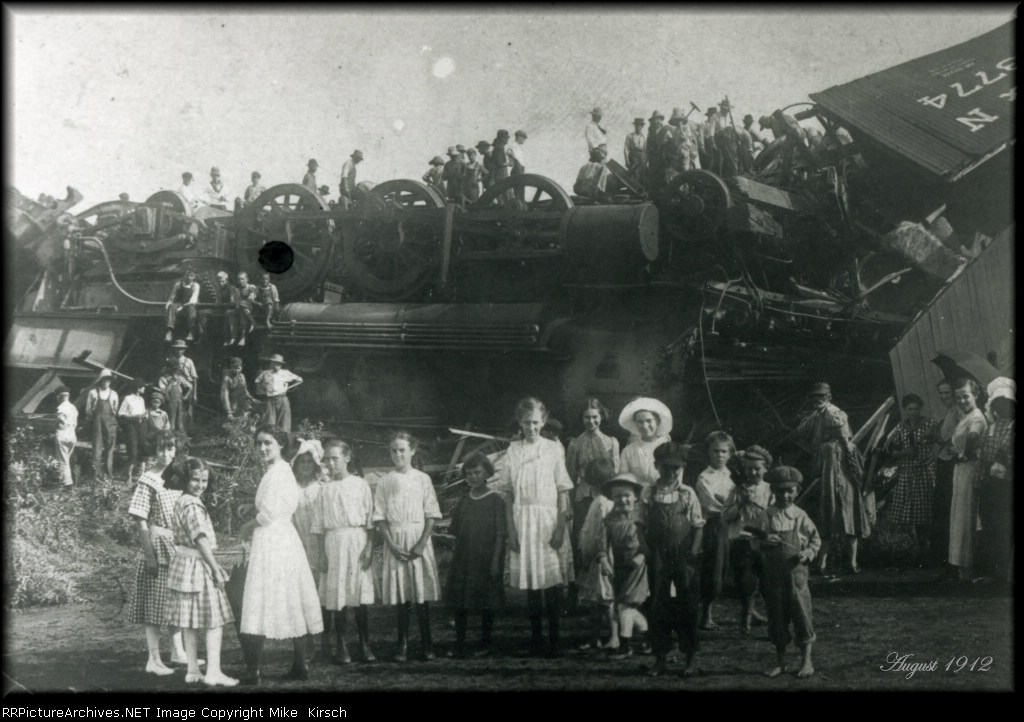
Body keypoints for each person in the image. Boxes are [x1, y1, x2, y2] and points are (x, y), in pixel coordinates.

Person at [238, 426, 325, 684]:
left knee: (265, 598)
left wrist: (248, 524)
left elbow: (268, 514)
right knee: (285, 597)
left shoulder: (280, 472)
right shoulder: (277, 472)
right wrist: (252, 509)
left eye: (268, 443)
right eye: (259, 443)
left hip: (274, 540)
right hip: (279, 538)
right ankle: (297, 665)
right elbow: (270, 506)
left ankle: (255, 670)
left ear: (280, 446)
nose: (263, 448)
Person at [501, 397, 573, 657]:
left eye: (535, 422)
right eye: (526, 423)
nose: (531, 427)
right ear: (519, 423)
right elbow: (508, 493)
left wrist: (560, 527)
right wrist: (511, 530)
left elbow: (563, 489)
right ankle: (536, 638)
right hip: (523, 519)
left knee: (551, 581)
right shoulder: (513, 450)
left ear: (543, 422)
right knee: (531, 582)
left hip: (548, 519)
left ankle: (554, 639)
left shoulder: (553, 449)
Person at [164, 458, 238, 687]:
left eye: (204, 480)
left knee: (191, 620)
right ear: (185, 479)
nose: (200, 484)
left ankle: (193, 670)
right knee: (213, 621)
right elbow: (201, 539)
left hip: (183, 564)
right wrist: (215, 569)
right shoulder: (193, 506)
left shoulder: (182, 500)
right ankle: (213, 671)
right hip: (196, 564)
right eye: (195, 479)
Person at [373, 431, 442, 662]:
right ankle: (401, 644)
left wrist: (422, 542)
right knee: (402, 596)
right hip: (395, 540)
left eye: (402, 449)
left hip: (418, 539)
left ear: (412, 450)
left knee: (421, 596)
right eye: (393, 450)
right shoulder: (384, 481)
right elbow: (379, 516)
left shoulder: (423, 479)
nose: (398, 454)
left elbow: (431, 513)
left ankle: (427, 644)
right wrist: (390, 545)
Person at [125, 431, 189, 675]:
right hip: (158, 546)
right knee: (155, 605)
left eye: (170, 448)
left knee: (176, 601)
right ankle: (153, 659)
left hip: (177, 546)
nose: (166, 453)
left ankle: (177, 651)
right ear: (154, 450)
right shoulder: (148, 479)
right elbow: (140, 520)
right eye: (161, 448)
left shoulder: (176, 476)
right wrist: (150, 556)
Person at [795, 382, 872, 575]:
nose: (816, 400)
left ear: (828, 398)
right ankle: (822, 563)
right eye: (814, 397)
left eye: (821, 397)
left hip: (839, 460)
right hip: (827, 460)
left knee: (846, 504)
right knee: (830, 507)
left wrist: (854, 467)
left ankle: (849, 563)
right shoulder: (817, 415)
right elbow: (800, 433)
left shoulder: (835, 414)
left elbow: (846, 443)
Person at [312, 438, 376, 664]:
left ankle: (365, 644)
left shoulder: (360, 484)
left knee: (359, 596)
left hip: (357, 541)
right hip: (333, 543)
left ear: (347, 458)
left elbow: (370, 520)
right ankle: (341, 646)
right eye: (327, 459)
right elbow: (319, 525)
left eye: (335, 458)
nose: (330, 463)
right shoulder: (324, 489)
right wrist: (321, 553)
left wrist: (368, 548)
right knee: (338, 598)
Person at [646, 442, 703, 678]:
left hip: (683, 556)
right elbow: (639, 524)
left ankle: (690, 658)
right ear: (657, 466)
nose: (671, 472)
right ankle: (660, 658)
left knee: (687, 605)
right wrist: (645, 550)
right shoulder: (648, 492)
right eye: (666, 467)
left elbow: (698, 526)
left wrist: (693, 552)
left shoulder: (687, 493)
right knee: (658, 605)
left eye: (675, 468)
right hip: (658, 555)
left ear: (682, 468)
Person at [761, 466, 820, 679]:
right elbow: (753, 542)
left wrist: (808, 553)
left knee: (802, 616)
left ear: (797, 491)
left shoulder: (799, 516)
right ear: (773, 492)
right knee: (777, 618)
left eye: (790, 491)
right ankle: (780, 662)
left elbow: (815, 539)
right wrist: (764, 541)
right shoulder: (767, 515)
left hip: (797, 576)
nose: (785, 495)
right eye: (780, 491)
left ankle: (807, 661)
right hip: (774, 578)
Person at [445, 452, 506, 658]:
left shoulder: (496, 500)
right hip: (464, 557)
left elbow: (500, 534)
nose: (472, 477)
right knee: (461, 601)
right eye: (469, 473)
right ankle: (460, 643)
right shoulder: (464, 500)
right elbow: (455, 531)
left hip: (486, 558)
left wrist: (496, 560)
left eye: (477, 472)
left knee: (486, 602)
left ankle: (485, 643)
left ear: (487, 473)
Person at [595, 472, 650, 659]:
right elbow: (601, 544)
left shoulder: (641, 518)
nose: (623, 500)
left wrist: (642, 556)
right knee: (624, 606)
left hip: (638, 567)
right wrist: (603, 560)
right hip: (620, 567)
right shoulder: (609, 520)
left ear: (635, 496)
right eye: (617, 496)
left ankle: (625, 645)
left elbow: (650, 542)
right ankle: (646, 637)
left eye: (627, 495)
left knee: (625, 605)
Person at [723, 445, 773, 633]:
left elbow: (776, 514)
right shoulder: (737, 491)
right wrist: (741, 503)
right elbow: (725, 516)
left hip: (764, 543)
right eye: (749, 469)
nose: (753, 472)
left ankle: (772, 616)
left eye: (757, 469)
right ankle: (747, 615)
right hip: (741, 542)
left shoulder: (770, 490)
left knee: (767, 582)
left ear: (765, 469)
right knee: (745, 582)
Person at [884, 394, 939, 557]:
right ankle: (915, 546)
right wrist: (904, 452)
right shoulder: (900, 428)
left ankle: (927, 546)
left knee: (925, 511)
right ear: (905, 410)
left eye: (916, 409)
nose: (913, 412)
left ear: (920, 409)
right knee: (908, 514)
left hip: (924, 473)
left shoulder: (930, 424)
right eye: (910, 409)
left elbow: (939, 443)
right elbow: (889, 451)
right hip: (907, 474)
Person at [574, 458, 618, 651]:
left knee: (605, 599)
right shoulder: (599, 501)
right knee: (595, 600)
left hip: (601, 557)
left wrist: (590, 554)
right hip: (595, 557)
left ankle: (614, 637)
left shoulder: (602, 503)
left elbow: (599, 533)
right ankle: (594, 638)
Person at [695, 431, 737, 631]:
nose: (719, 455)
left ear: (730, 454)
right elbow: (712, 505)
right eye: (715, 451)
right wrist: (730, 504)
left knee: (743, 565)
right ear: (708, 453)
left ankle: (749, 608)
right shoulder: (704, 477)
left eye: (724, 451)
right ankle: (707, 613)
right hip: (715, 525)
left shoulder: (733, 475)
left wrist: (730, 502)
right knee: (715, 569)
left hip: (736, 524)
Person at [947, 377, 987, 583]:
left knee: (967, 516)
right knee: (960, 515)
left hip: (971, 469)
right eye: (958, 397)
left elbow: (973, 436)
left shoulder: (977, 418)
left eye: (966, 396)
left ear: (976, 395)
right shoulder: (965, 416)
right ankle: (961, 567)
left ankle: (967, 567)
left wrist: (965, 453)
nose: (962, 400)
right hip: (961, 470)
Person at [975, 377, 1014, 584]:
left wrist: (1006, 459)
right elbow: (983, 457)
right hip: (991, 485)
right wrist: (980, 479)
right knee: (990, 525)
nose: (1002, 407)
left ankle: (1005, 573)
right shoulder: (992, 427)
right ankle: (993, 572)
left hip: (1008, 484)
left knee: (1006, 526)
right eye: (998, 403)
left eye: (1006, 403)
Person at [930, 379, 962, 574]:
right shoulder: (949, 412)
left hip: (952, 463)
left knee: (948, 508)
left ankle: (950, 561)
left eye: (947, 393)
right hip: (943, 461)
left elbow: (951, 438)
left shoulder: (959, 411)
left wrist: (937, 438)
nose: (943, 397)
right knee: (942, 508)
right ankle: (943, 559)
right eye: (941, 393)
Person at [618, 396, 675, 496]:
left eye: (649, 421)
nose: (644, 426)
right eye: (640, 422)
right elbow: (624, 480)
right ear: (634, 423)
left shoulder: (667, 447)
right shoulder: (628, 451)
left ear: (657, 421)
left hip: (664, 497)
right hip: (637, 498)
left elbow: (676, 478)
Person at [254, 354, 302, 433]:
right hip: (270, 400)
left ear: (282, 365)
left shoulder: (285, 373)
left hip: (282, 399)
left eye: (279, 364)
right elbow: (257, 382)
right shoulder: (265, 373)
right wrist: (265, 389)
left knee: (284, 424)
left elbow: (300, 380)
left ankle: (284, 443)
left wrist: (288, 388)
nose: (277, 365)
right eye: (275, 363)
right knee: (269, 425)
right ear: (271, 363)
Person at [86, 369, 120, 481]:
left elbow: (115, 410)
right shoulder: (93, 393)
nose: (106, 382)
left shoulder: (114, 394)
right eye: (104, 380)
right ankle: (96, 476)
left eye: (108, 380)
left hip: (110, 425)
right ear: (100, 380)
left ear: (110, 381)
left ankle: (108, 475)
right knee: (97, 449)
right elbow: (89, 410)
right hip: (97, 424)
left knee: (110, 449)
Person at [118, 378, 149, 483]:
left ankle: (142, 476)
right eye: (143, 386)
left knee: (144, 450)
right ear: (138, 388)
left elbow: (143, 412)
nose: (144, 388)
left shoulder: (141, 400)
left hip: (141, 426)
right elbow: (120, 414)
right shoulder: (127, 399)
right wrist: (134, 417)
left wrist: (145, 416)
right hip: (131, 426)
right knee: (133, 452)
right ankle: (129, 477)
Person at [199, 271, 242, 345]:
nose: (219, 281)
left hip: (229, 309)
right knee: (202, 313)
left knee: (227, 313)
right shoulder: (219, 289)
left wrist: (221, 304)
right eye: (218, 279)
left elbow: (232, 303)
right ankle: (203, 335)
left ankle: (229, 338)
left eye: (221, 279)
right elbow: (218, 301)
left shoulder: (231, 288)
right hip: (219, 309)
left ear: (226, 278)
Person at [164, 269, 200, 343]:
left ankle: (191, 331)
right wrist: (168, 304)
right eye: (187, 275)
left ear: (194, 277)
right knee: (171, 306)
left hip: (189, 304)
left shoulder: (196, 285)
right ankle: (169, 332)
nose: (189, 277)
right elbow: (172, 296)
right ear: (184, 276)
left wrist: (182, 307)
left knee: (191, 308)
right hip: (179, 303)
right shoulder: (178, 284)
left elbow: (193, 299)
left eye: (191, 276)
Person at [168, 340, 198, 426]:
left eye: (181, 349)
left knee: (188, 409)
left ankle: (188, 429)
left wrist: (195, 394)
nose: (178, 351)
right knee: (176, 409)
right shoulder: (171, 361)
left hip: (187, 388)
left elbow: (194, 378)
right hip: (175, 388)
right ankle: (177, 429)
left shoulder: (189, 361)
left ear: (184, 350)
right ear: (174, 350)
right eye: (177, 349)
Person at [53, 386, 78, 488]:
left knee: (63, 460)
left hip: (63, 434)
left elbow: (61, 420)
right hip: (72, 435)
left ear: (59, 397)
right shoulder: (74, 408)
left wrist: (56, 424)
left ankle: (67, 484)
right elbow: (75, 424)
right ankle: (68, 481)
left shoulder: (61, 408)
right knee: (67, 459)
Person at [157, 362, 190, 436]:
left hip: (179, 400)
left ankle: (182, 437)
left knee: (180, 418)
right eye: (173, 370)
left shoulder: (178, 377)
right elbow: (164, 392)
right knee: (172, 419)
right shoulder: (163, 379)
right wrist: (171, 383)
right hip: (170, 401)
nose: (174, 372)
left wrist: (185, 396)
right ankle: (171, 437)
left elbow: (190, 386)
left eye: (175, 370)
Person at [645, 110, 670, 196]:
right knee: (653, 179)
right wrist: (647, 159)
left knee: (663, 178)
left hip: (663, 158)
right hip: (653, 160)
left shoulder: (666, 130)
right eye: (654, 120)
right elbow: (647, 146)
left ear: (661, 120)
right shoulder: (650, 132)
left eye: (657, 119)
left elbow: (671, 143)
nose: (656, 121)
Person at [142, 390, 171, 457]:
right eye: (154, 402)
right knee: (151, 447)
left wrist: (165, 431)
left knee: (160, 446)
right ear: (151, 402)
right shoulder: (148, 411)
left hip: (161, 434)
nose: (155, 404)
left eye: (157, 403)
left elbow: (167, 424)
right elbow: (144, 422)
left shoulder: (163, 413)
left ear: (160, 403)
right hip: (150, 434)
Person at [235, 271, 258, 343]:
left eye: (242, 279)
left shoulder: (252, 287)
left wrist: (245, 303)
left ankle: (243, 337)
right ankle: (253, 322)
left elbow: (252, 298)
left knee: (243, 309)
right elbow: (237, 303)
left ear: (247, 279)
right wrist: (240, 305)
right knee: (243, 310)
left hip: (253, 307)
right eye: (239, 279)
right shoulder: (237, 290)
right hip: (244, 309)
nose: (240, 281)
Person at [490, 131, 512, 201]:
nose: (507, 139)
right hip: (501, 174)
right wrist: (509, 163)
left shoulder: (499, 147)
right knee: (504, 193)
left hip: (501, 174)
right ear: (501, 139)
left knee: (504, 192)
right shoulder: (499, 148)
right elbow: (500, 164)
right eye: (506, 138)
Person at [508, 130, 528, 199]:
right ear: (519, 137)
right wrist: (514, 160)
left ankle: (521, 201)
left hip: (520, 167)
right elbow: (508, 151)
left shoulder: (518, 146)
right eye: (524, 138)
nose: (524, 141)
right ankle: (520, 202)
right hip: (517, 167)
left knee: (521, 187)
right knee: (519, 187)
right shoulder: (514, 145)